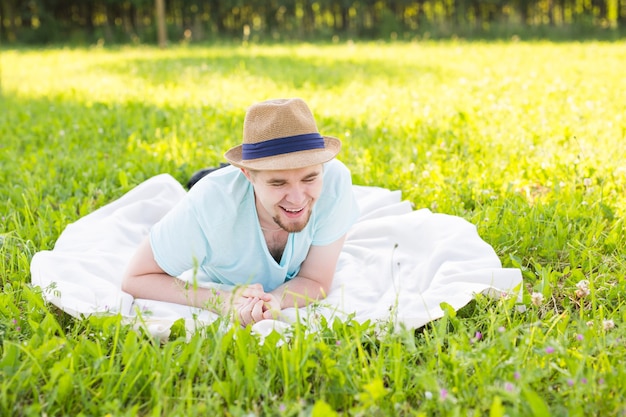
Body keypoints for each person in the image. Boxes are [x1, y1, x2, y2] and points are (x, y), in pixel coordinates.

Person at [121, 98, 359, 326]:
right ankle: (210, 174)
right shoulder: (209, 205)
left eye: (310, 178)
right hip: (224, 195)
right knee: (205, 185)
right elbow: (136, 277)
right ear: (247, 174)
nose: (298, 199)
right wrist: (222, 301)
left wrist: (274, 300)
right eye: (278, 183)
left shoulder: (334, 181)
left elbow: (315, 280)